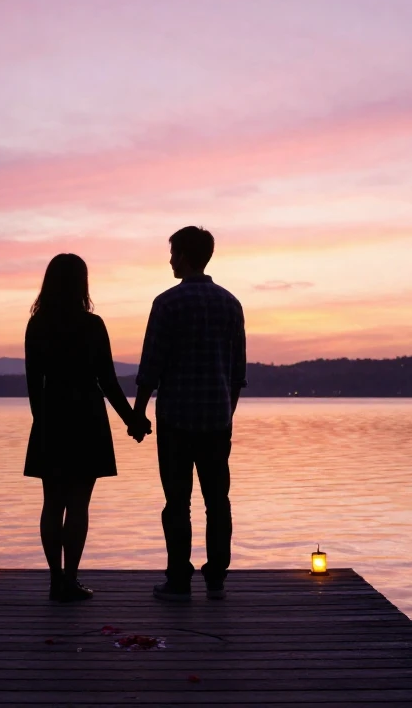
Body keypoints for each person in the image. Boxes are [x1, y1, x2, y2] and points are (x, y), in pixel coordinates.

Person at [25, 253, 151, 602]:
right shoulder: (92, 325)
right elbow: (107, 380)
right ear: (82, 283)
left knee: (53, 502)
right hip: (87, 417)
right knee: (78, 504)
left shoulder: (37, 325)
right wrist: (132, 420)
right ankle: (70, 578)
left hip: (51, 416)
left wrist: (42, 421)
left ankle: (55, 581)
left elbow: (34, 382)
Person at [132, 226, 246, 601]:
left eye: (172, 253)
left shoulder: (167, 303)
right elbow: (237, 372)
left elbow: (152, 364)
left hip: (177, 419)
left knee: (177, 502)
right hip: (217, 419)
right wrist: (227, 411)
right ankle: (216, 579)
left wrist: (139, 411)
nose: (169, 260)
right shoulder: (230, 304)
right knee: (218, 501)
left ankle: (179, 580)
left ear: (182, 256)